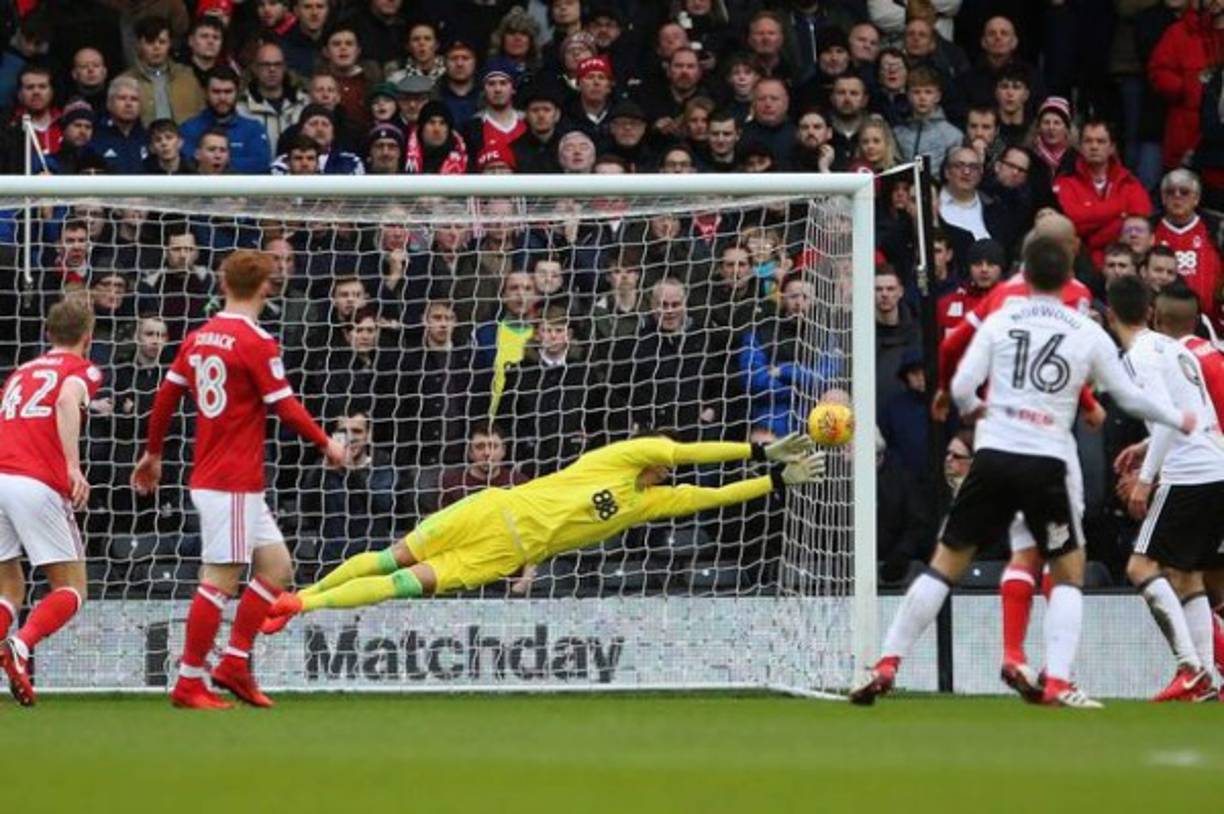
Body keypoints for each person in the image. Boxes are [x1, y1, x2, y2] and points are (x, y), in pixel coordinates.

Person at [852, 237, 1195, 709]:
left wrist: (975, 410)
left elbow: (963, 383)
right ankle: (1058, 680)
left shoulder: (1002, 318)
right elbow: (1128, 396)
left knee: (944, 564)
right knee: (1068, 569)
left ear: (1025, 275)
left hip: (993, 456)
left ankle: (888, 661)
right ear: (1069, 277)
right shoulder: (1085, 328)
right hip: (1045, 464)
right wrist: (1178, 418)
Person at [261, 432, 825, 626]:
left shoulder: (649, 503)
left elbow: (713, 494)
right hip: (490, 508)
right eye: (665, 465)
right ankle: (304, 594)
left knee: (399, 583)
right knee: (392, 559)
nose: (668, 468)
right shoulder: (621, 457)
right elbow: (689, 452)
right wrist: (758, 450)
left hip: (504, 552)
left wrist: (774, 480)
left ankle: (299, 604)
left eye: (668, 472)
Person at [131, 250, 345, 710]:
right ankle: (189, 680)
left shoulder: (199, 337)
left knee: (277, 569)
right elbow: (285, 406)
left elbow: (166, 396)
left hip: (222, 477)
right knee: (220, 579)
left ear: (224, 284)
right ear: (266, 287)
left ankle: (233, 662)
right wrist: (326, 442)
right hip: (231, 479)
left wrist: (153, 453)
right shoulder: (257, 341)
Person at [1112, 279, 1224, 701]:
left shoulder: (1138, 355)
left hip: (1189, 474)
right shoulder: (1176, 349)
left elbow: (1164, 419)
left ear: (1111, 315)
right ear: (1149, 312)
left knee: (1140, 567)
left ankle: (1189, 667)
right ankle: (1206, 679)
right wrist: (1144, 447)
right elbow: (1195, 412)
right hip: (1216, 465)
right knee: (1186, 575)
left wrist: (1145, 479)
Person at [0, 295, 102, 706]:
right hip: (36, 482)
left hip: (0, 476)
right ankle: (20, 645)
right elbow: (65, 400)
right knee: (72, 587)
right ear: (88, 336)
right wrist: (73, 467)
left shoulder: (20, 373)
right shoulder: (82, 368)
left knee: (9, 587)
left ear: (48, 332)